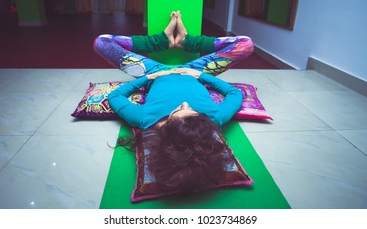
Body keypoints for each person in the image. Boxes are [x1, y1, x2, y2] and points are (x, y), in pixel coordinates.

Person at [93, 11, 254, 194]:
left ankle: (162, 40)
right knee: (246, 44)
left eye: (179, 110)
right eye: (192, 110)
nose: (185, 103)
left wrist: (149, 78)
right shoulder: (214, 118)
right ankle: (186, 40)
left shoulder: (145, 119)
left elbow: (115, 97)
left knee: (102, 42)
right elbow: (234, 94)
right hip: (195, 69)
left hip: (154, 69)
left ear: (166, 127)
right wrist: (201, 76)